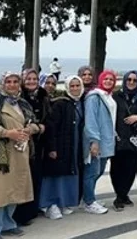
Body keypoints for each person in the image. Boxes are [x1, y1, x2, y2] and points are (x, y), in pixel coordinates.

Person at [0, 71, 43, 238]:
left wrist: (30, 129)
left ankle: (7, 224)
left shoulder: (22, 103)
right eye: (8, 81)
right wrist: (7, 133)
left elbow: (35, 122)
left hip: (19, 151)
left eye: (15, 81)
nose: (12, 85)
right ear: (2, 83)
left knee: (14, 189)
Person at [39, 75, 85, 220]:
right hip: (60, 145)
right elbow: (51, 127)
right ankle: (49, 204)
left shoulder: (79, 103)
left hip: (73, 144)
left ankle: (63, 202)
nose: (75, 89)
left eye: (78, 86)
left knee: (67, 174)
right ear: (66, 87)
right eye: (72, 86)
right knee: (55, 175)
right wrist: (52, 148)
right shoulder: (60, 103)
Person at [109, 71, 137, 211]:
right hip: (118, 137)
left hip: (135, 139)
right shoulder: (115, 96)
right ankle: (120, 196)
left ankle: (123, 194)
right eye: (129, 79)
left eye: (135, 80)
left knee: (131, 168)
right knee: (116, 168)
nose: (131, 82)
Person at [13, 68, 50, 226]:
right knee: (20, 178)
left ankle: (31, 211)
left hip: (38, 143)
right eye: (28, 79)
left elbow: (48, 117)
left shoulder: (43, 96)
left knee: (35, 177)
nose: (31, 82)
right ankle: (17, 214)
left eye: (34, 79)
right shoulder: (17, 97)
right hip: (20, 141)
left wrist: (41, 127)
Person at [83, 70, 117, 215]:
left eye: (111, 79)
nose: (108, 81)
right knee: (92, 172)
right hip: (97, 140)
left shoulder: (108, 96)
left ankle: (89, 197)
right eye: (106, 79)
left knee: (99, 171)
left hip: (107, 140)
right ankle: (89, 201)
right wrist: (94, 141)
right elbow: (90, 120)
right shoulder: (94, 97)